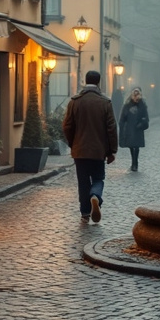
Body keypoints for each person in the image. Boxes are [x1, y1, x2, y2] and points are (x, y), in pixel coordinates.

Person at [62, 69, 118, 224]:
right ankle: (95, 196)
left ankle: (85, 212)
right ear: (99, 82)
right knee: (98, 178)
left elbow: (66, 125)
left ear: (85, 81)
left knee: (83, 182)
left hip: (79, 150)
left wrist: (73, 142)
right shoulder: (105, 102)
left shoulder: (75, 101)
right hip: (98, 151)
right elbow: (111, 128)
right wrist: (112, 151)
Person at [119, 87, 149, 171]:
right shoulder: (127, 105)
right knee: (131, 146)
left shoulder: (142, 105)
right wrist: (122, 127)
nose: (136, 97)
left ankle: (135, 163)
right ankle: (133, 162)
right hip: (130, 129)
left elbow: (146, 117)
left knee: (137, 147)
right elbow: (123, 117)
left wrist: (142, 123)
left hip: (138, 129)